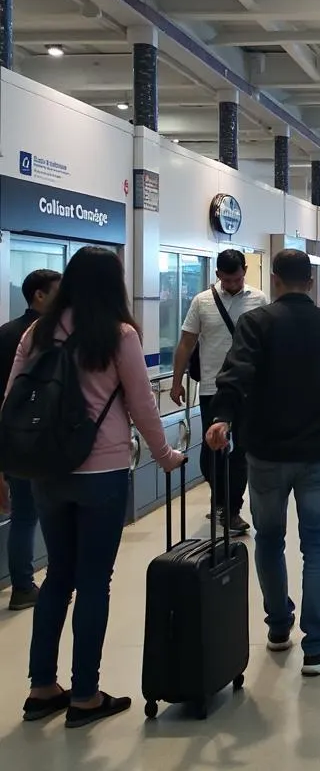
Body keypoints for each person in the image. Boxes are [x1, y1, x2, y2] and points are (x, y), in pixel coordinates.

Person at [10, 248, 184, 726]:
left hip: (47, 471)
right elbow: (143, 405)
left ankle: (41, 687)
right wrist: (166, 456)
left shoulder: (37, 332)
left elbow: (13, 399)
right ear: (114, 284)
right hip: (101, 471)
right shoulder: (118, 334)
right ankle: (85, 693)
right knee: (93, 583)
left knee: (57, 580)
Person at [205, 249, 320, 675]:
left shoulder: (256, 323)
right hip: (316, 454)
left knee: (268, 539)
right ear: (311, 281)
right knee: (317, 546)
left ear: (274, 279)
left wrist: (222, 416)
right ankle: (317, 648)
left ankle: (279, 627)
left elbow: (235, 373)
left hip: (266, 454)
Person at [170, 248, 268, 535]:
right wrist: (177, 382)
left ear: (245, 273)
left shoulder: (259, 299)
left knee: (241, 452)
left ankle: (231, 508)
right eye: (227, 280)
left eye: (237, 279)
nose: (233, 285)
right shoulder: (202, 301)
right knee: (211, 451)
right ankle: (220, 499)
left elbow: (266, 343)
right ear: (217, 275)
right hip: (213, 387)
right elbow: (186, 343)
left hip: (249, 388)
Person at [0, 269, 61, 612]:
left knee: (24, 516)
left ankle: (23, 586)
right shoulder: (51, 335)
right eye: (58, 292)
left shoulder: (5, 333)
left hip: (16, 441)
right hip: (49, 441)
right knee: (56, 511)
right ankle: (60, 576)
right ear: (39, 295)